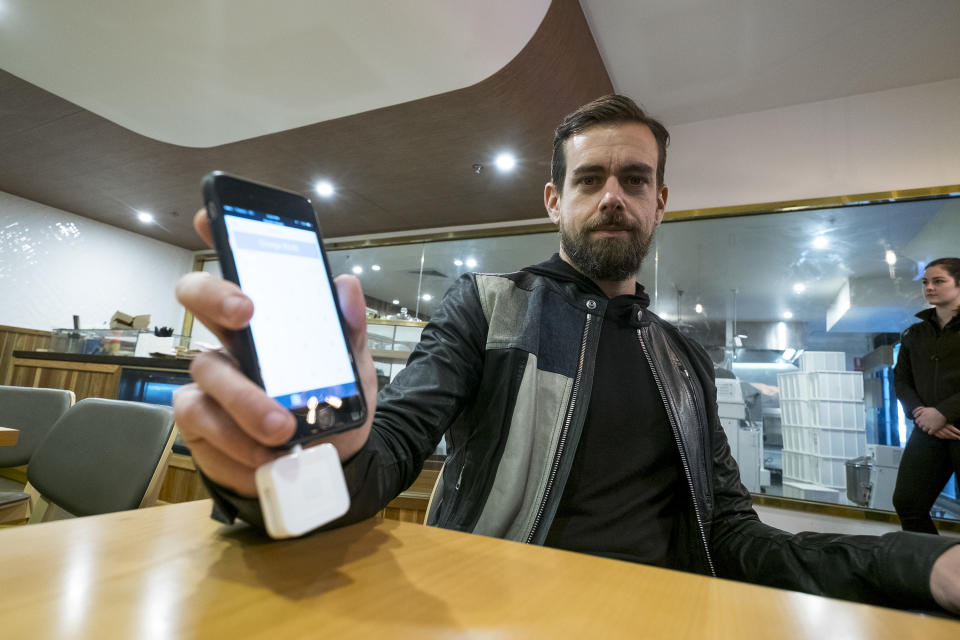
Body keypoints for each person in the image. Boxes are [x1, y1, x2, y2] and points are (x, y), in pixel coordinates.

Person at [173, 95, 960, 613]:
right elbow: (385, 458)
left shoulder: (684, 355)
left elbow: (732, 533)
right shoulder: (486, 308)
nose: (612, 194)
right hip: (495, 617)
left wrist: (916, 566)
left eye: (634, 178)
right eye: (590, 179)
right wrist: (298, 469)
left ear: (661, 202)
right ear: (555, 200)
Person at [893, 258, 960, 534]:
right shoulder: (914, 333)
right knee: (908, 502)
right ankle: (933, 568)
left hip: (955, 427)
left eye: (938, 281)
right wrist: (921, 413)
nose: (929, 287)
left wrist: (942, 413)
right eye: (925, 282)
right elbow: (901, 379)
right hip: (926, 430)